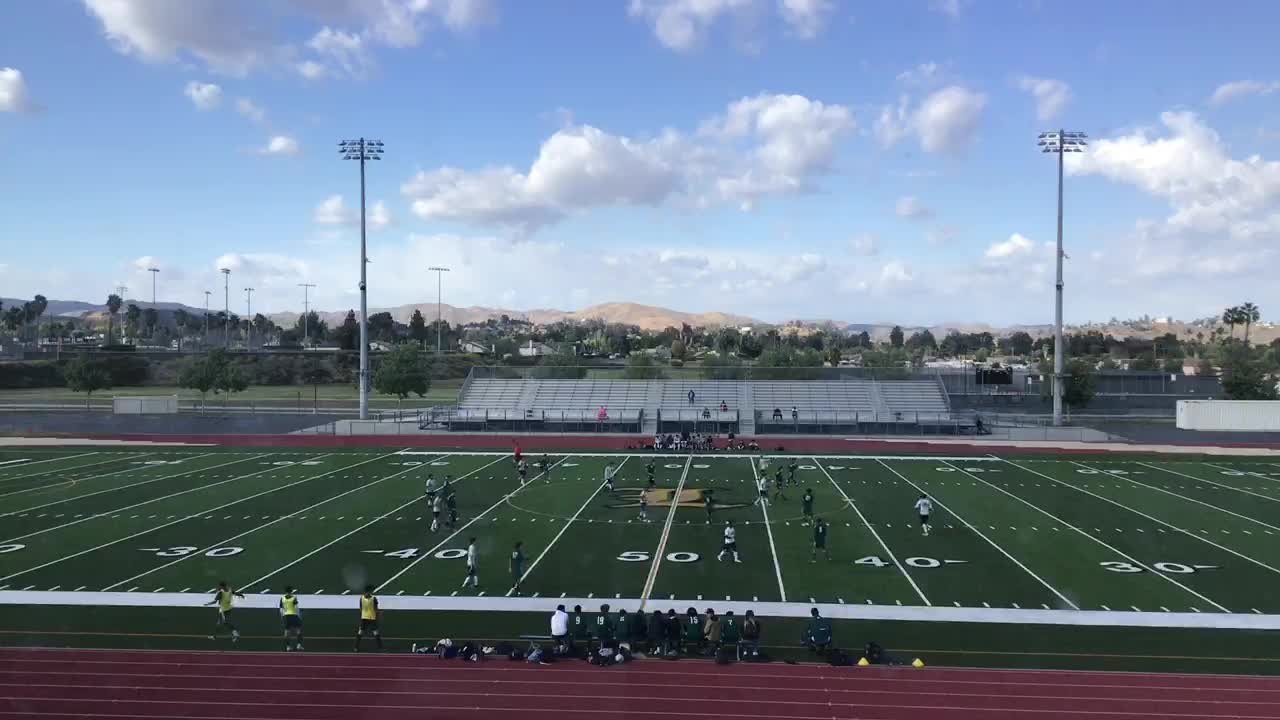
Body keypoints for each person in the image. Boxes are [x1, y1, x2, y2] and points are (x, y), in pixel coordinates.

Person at [354, 584, 383, 651]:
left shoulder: (361, 598)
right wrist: (379, 613)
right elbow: (376, 609)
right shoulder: (374, 598)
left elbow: (361, 608)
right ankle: (380, 647)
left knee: (361, 632)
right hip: (372, 618)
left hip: (364, 617)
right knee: (375, 632)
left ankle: (356, 647)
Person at [280, 585, 303, 651]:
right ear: (291, 591)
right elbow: (296, 608)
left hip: (286, 615)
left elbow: (281, 609)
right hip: (294, 615)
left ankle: (288, 647)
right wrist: (299, 615)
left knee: (287, 632)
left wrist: (282, 616)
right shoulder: (294, 597)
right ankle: (299, 645)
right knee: (298, 630)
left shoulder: (282, 598)